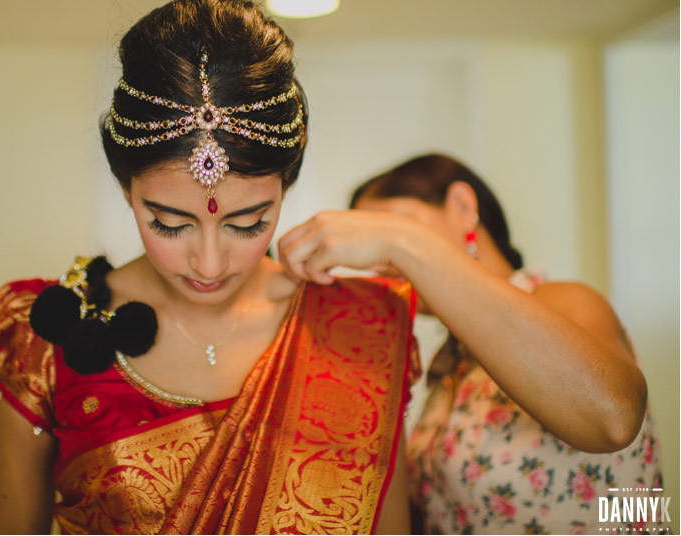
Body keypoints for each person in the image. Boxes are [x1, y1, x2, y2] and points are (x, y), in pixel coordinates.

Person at [0, 0, 416, 534]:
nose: (208, 263)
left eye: (247, 223)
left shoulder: (360, 331)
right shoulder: (41, 340)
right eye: (170, 223)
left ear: (287, 185)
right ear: (126, 190)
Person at [277, 153, 663, 534]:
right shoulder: (449, 367)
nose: (382, 264)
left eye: (390, 227)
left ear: (463, 206)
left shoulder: (563, 302)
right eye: (376, 251)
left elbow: (614, 418)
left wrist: (399, 241)